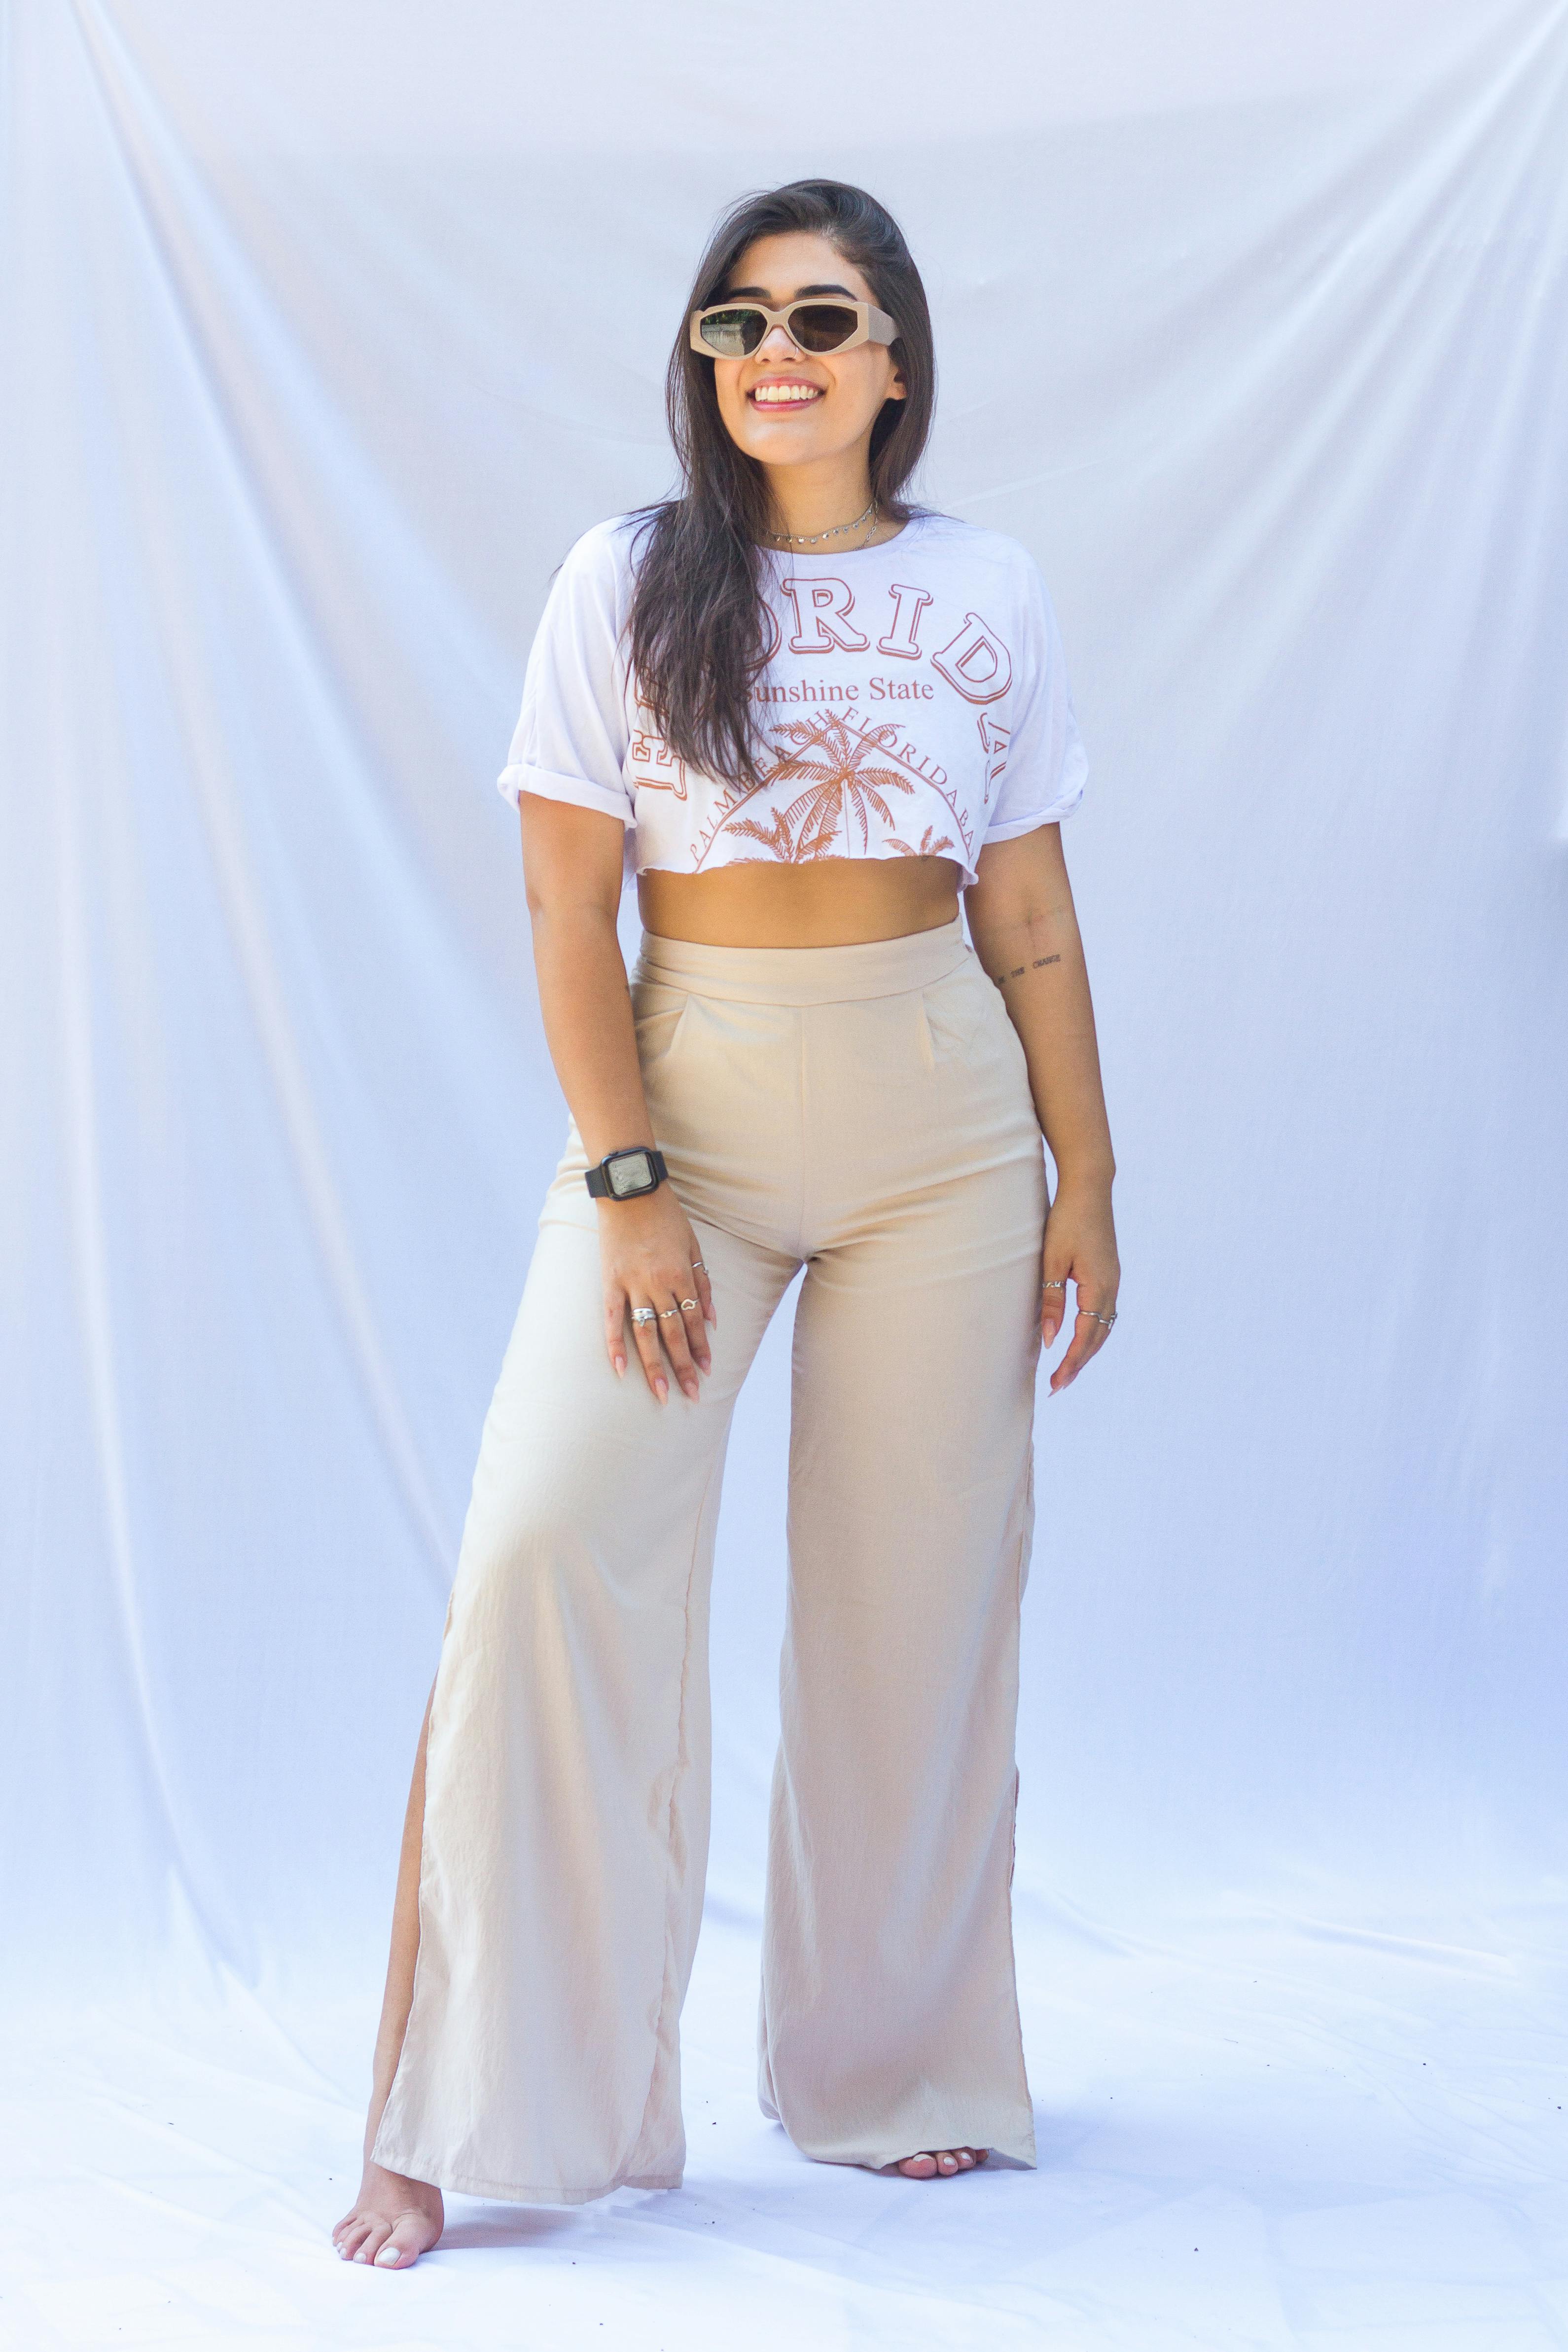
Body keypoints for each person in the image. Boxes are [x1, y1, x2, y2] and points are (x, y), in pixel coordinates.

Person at [333, 177, 1119, 2271]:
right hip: (689, 1102)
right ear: (706, 363)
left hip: (947, 1122)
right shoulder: (628, 578)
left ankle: (897, 2064)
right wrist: (630, 1182)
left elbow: (1027, 916)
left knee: (918, 1603)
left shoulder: (992, 588)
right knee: (535, 1552)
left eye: (822, 315)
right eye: (735, 319)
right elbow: (560, 904)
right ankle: (461, 2098)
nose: (774, 346)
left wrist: (1089, 1177)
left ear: (892, 364)